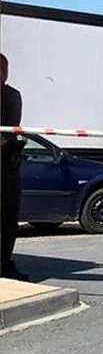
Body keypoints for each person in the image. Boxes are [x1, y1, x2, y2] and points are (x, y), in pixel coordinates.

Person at [1, 54, 28, 281]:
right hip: (5, 167)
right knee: (7, 217)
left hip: (6, 164)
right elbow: (9, 130)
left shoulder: (10, 96)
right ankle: (4, 263)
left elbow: (9, 129)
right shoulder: (10, 96)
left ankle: (4, 262)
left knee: (8, 218)